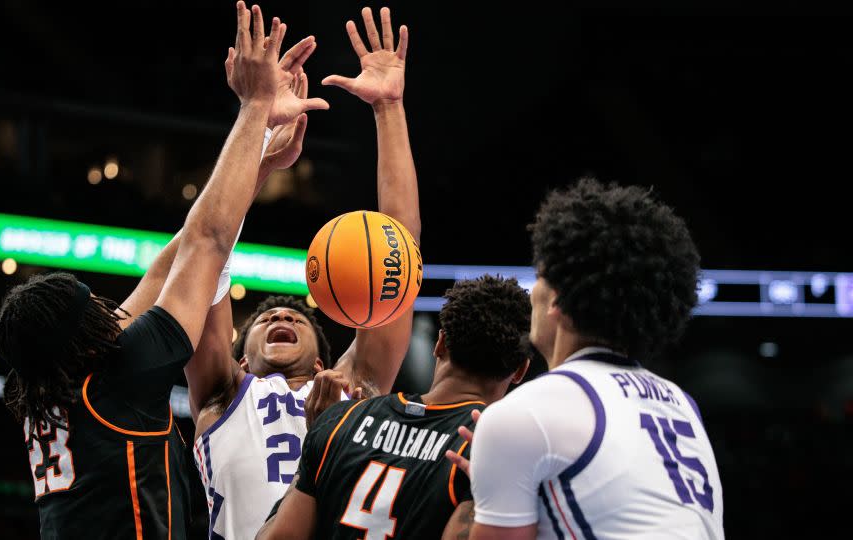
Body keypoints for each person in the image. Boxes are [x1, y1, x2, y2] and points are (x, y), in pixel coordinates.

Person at [0, 4, 320, 537]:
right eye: (94, 312)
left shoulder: (46, 381)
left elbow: (181, 256)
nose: (110, 313)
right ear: (85, 336)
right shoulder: (121, 374)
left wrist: (259, 161)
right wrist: (255, 107)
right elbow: (207, 242)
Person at [187, 7, 421, 539]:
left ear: (321, 360)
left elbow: (399, 255)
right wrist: (257, 135)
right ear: (240, 359)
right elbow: (208, 248)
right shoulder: (222, 394)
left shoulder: (352, 386)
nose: (281, 316)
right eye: (266, 319)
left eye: (293, 316)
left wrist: (389, 109)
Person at [451, 178, 724, 539]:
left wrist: (490, 488)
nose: (532, 291)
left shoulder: (522, 412)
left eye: (539, 276)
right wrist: (506, 486)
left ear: (557, 300)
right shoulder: (682, 403)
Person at [256, 275, 532, 540]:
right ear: (520, 370)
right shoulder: (491, 446)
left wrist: (315, 447)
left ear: (440, 344)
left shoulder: (341, 419)